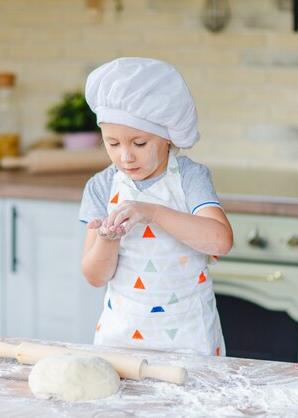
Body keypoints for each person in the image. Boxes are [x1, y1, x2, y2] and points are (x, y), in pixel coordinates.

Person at [79, 57, 233, 355]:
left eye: (139, 143)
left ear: (167, 137)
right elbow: (94, 277)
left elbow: (221, 241)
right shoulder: (101, 186)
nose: (125, 157)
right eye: (112, 143)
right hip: (122, 336)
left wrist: (151, 211)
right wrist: (107, 241)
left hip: (188, 337)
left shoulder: (190, 177)